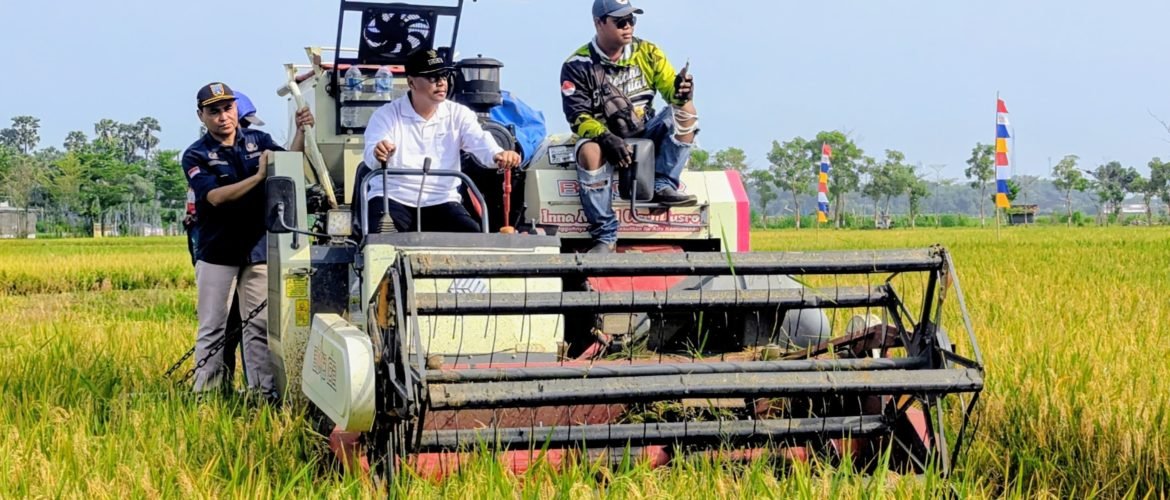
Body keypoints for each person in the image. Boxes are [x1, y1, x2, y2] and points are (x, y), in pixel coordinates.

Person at [182, 82, 314, 400]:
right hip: (218, 252)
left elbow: (289, 165)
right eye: (214, 111)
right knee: (214, 326)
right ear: (201, 116)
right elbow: (215, 197)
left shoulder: (260, 140)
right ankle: (207, 394)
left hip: (258, 249)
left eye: (227, 108)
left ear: (236, 109)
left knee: (258, 327)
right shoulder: (196, 154)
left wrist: (301, 132)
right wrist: (257, 178)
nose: (223, 116)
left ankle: (262, 394)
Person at [560, 0, 699, 253]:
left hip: (644, 132)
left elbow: (671, 93)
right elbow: (577, 116)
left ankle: (662, 184)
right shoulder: (577, 65)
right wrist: (605, 137)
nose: (628, 27)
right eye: (620, 21)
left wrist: (682, 92)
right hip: (602, 138)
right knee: (589, 152)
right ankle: (605, 235)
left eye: (631, 20)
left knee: (686, 111)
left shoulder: (649, 52)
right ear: (599, 23)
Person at [361, 49, 522, 233]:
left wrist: (498, 154)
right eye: (432, 77)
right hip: (392, 197)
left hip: (442, 199)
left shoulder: (459, 114)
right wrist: (380, 152)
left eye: (444, 75)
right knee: (380, 241)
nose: (441, 82)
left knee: (472, 237)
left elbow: (480, 140)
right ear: (411, 82)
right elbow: (373, 153)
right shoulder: (386, 115)